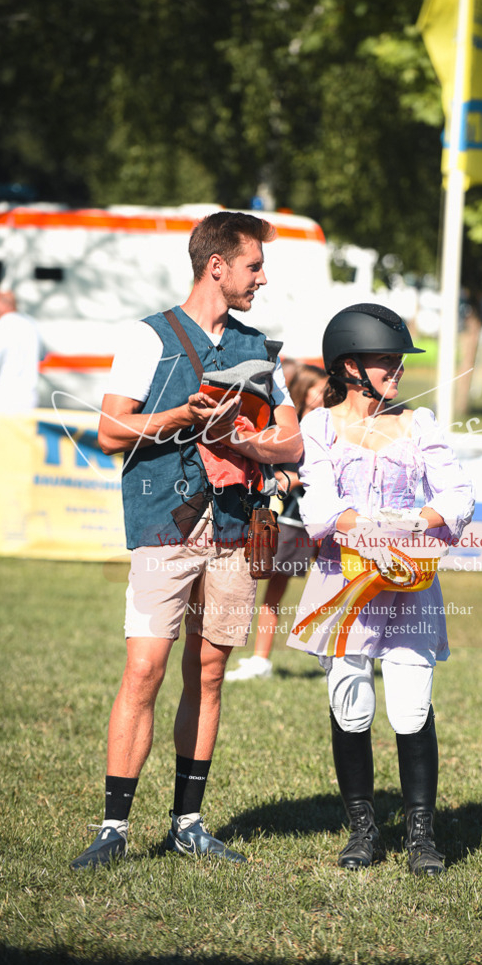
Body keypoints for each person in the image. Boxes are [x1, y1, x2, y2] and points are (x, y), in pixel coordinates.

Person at [70, 212, 303, 869]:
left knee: (209, 672)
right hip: (162, 525)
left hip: (233, 531)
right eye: (254, 266)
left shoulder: (260, 348)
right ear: (217, 266)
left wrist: (245, 440)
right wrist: (180, 416)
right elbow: (112, 431)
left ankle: (188, 823)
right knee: (143, 669)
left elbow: (293, 440)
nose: (262, 278)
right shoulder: (148, 338)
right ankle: (114, 828)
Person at [287, 303, 475, 876]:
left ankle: (421, 834)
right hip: (342, 582)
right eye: (385, 361)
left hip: (409, 582)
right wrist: (366, 529)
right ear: (349, 366)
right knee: (351, 704)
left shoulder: (420, 425)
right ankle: (363, 829)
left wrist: (419, 521)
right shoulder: (317, 428)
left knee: (412, 706)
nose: (397, 370)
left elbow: (461, 495)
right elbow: (317, 506)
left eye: (399, 361)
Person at [226, 363, 327, 681]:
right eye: (320, 388)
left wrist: (298, 479)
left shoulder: (329, 424)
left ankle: (340, 658)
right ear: (305, 390)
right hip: (289, 518)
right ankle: (261, 659)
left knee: (332, 588)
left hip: (322, 519)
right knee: (273, 587)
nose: (327, 394)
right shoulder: (286, 426)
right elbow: (279, 473)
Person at [0, 290, 41, 438]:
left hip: (3, 397)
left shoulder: (2, 325)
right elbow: (42, 356)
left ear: (3, 304)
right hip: (28, 396)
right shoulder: (30, 323)